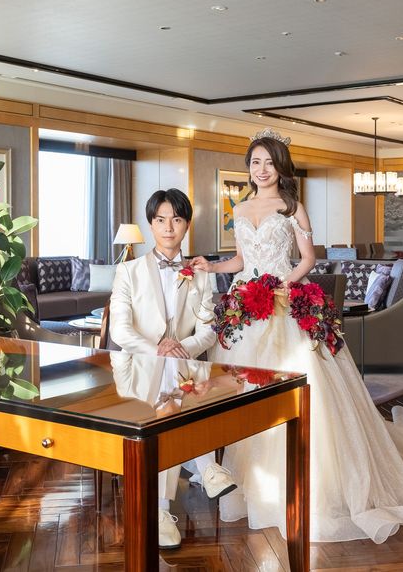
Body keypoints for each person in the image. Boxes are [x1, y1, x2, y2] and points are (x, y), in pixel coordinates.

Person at [190, 128, 403, 544]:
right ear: (248, 168)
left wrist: (284, 284)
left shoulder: (293, 207)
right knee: (243, 388)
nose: (262, 170)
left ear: (281, 167)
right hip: (246, 309)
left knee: (299, 385)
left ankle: (309, 475)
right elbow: (240, 259)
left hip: (283, 304)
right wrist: (211, 266)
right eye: (255, 162)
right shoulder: (241, 208)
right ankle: (247, 476)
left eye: (269, 162)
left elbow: (308, 259)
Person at [110, 188, 237, 550]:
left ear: (186, 224)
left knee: (170, 397)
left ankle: (162, 510)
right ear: (151, 224)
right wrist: (158, 349)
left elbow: (208, 330)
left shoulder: (200, 273)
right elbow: (120, 331)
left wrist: (180, 349)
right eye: (161, 220)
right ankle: (205, 464)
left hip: (183, 367)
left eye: (176, 220)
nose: (169, 227)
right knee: (171, 390)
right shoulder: (128, 271)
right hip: (139, 367)